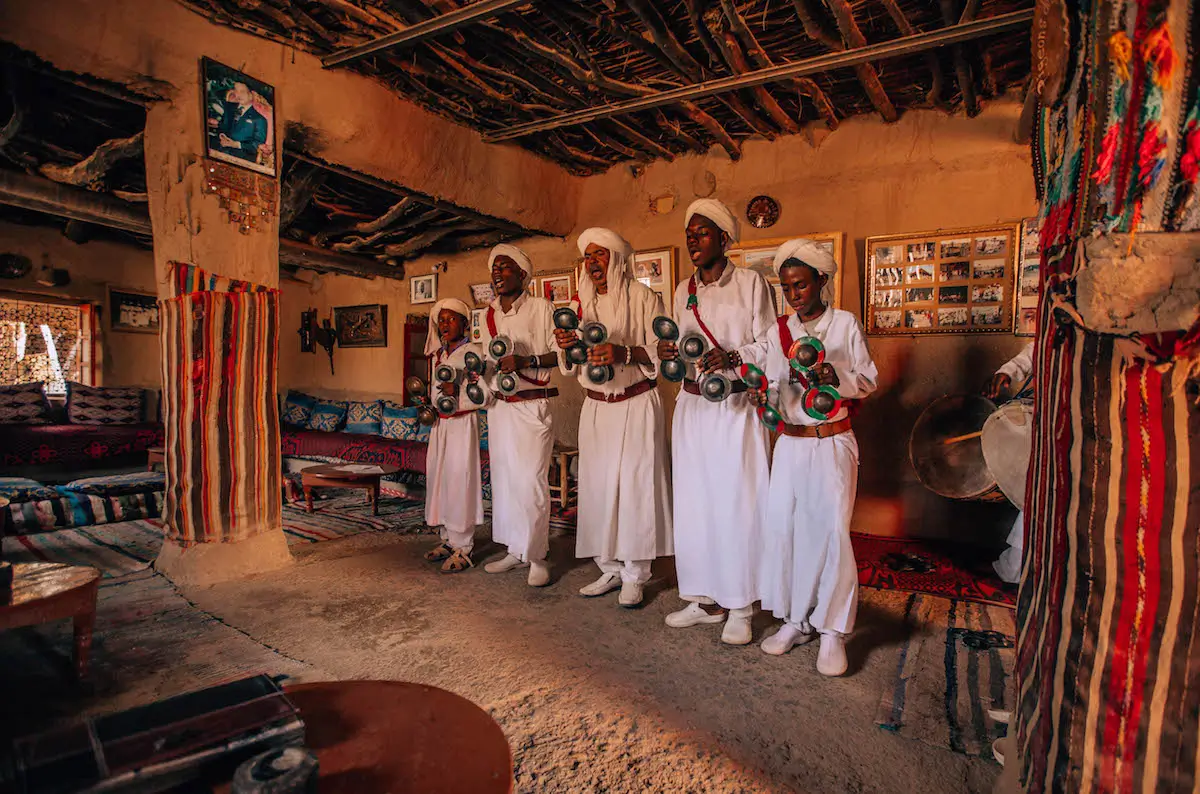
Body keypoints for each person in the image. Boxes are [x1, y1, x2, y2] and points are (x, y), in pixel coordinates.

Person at [749, 240, 878, 676]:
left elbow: (867, 380)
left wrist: (835, 377)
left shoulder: (844, 325)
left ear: (822, 280)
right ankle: (795, 620)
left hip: (831, 442)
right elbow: (771, 383)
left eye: (801, 284)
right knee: (785, 530)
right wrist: (761, 395)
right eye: (786, 287)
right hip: (791, 443)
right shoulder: (777, 333)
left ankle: (832, 631)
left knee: (830, 534)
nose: (794, 294)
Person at [657, 199, 774, 645]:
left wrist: (735, 356)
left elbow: (770, 345)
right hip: (691, 407)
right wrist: (665, 351)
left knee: (736, 502)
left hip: (735, 410)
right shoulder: (683, 290)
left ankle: (741, 604)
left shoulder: (750, 283)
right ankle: (703, 598)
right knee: (695, 502)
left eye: (702, 232)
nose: (692, 239)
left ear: (724, 239)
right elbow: (671, 341)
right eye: (689, 233)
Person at [555, 228, 673, 608]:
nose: (592, 264)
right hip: (596, 406)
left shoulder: (643, 297)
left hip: (636, 404)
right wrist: (567, 346)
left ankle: (636, 573)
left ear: (617, 260)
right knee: (599, 486)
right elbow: (571, 365)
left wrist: (623, 353)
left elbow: (664, 351)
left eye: (600, 256)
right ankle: (608, 566)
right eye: (588, 257)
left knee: (635, 487)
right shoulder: (581, 304)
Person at [479, 244, 558, 587]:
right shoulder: (488, 315)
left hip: (531, 404)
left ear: (523, 275)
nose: (497, 273)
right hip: (500, 408)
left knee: (530, 482)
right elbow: (486, 358)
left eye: (505, 267)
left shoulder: (542, 308)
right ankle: (514, 549)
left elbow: (562, 355)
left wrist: (527, 362)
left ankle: (537, 556)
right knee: (506, 481)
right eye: (494, 268)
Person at [422, 298, 489, 573]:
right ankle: (448, 540)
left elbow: (484, 394)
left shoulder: (473, 352)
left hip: (462, 424)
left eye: (451, 319)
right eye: (442, 320)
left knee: (460, 481)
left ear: (464, 322)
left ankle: (464, 546)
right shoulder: (439, 355)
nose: (445, 325)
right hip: (441, 426)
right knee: (441, 479)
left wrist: (458, 393)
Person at [984, 341, 1035, 585]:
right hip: (1051, 430)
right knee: (1036, 497)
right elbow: (1029, 357)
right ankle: (1013, 568)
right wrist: (1006, 372)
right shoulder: (1056, 335)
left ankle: (1014, 568)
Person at [211, 82, 268, 163]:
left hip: (240, 157)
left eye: (242, 92)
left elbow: (257, 145)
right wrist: (221, 135)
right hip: (218, 150)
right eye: (237, 92)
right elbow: (222, 126)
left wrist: (236, 144)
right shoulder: (229, 109)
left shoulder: (259, 119)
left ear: (251, 94)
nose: (239, 95)